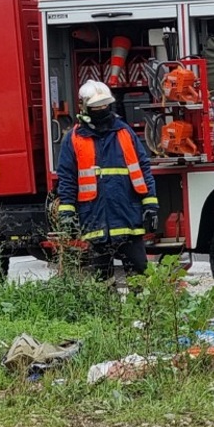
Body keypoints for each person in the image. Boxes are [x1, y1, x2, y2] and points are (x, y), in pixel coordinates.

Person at [54, 81, 159, 280]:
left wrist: (151, 205)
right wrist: (66, 214)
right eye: (96, 107)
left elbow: (143, 169)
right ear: (84, 108)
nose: (102, 110)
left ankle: (141, 311)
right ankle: (107, 311)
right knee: (101, 281)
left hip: (127, 216)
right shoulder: (74, 139)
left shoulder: (124, 133)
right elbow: (67, 179)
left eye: (104, 105)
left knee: (139, 276)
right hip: (95, 221)